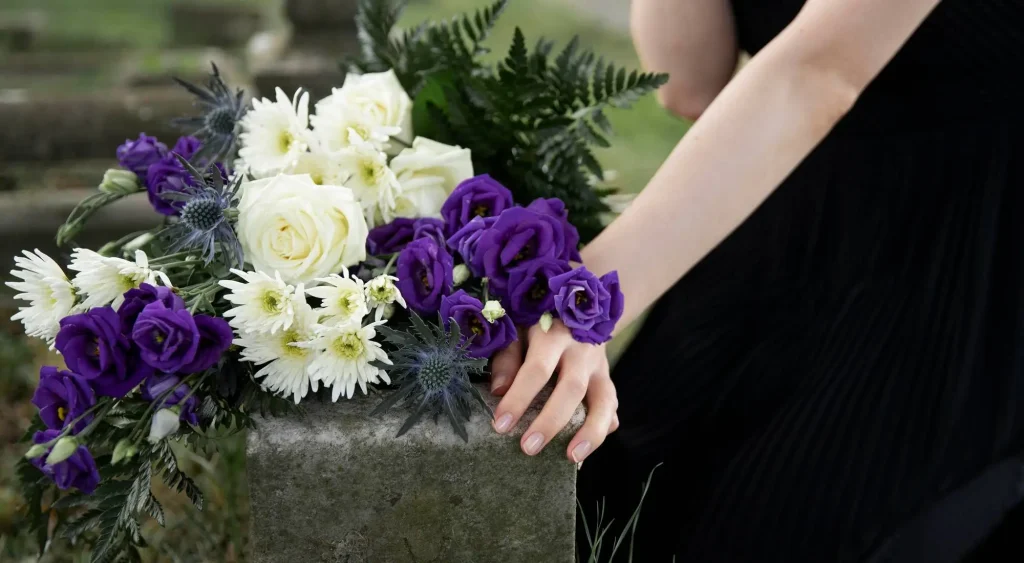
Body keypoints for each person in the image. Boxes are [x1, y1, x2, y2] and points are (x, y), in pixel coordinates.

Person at [488, 0, 1024, 560]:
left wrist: (582, 301)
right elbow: (690, 82)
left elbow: (816, 74)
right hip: (786, 220)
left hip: (960, 261)